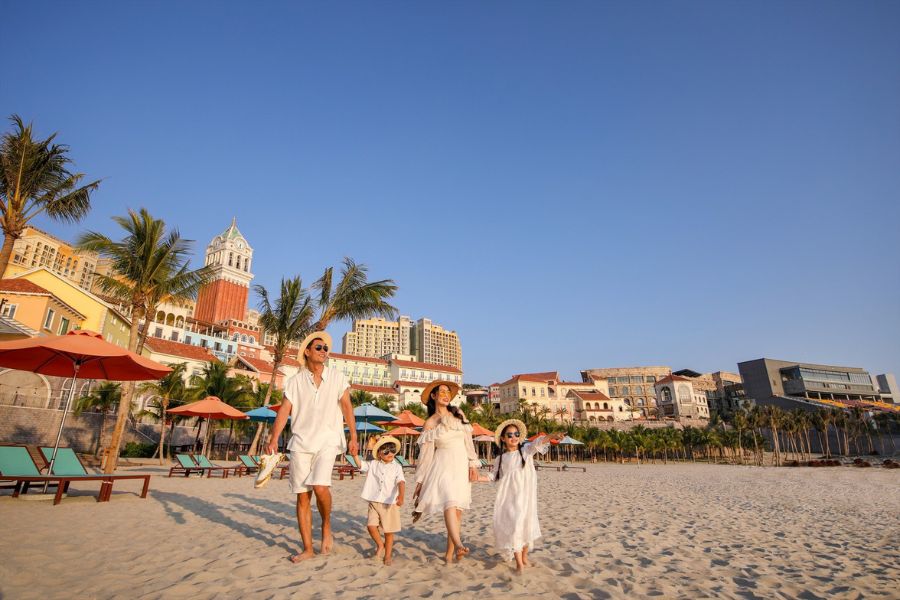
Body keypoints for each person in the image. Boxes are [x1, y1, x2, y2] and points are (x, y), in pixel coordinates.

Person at [265, 331, 358, 563]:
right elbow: (284, 411)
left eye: (326, 348)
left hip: (329, 440)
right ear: (307, 352)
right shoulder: (295, 382)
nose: (324, 351)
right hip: (300, 443)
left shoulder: (337, 377)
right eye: (319, 348)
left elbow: (347, 408)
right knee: (302, 496)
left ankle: (326, 524)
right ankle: (308, 548)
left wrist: (354, 437)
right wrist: (273, 438)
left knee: (320, 486)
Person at [412, 380, 480, 564]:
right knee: (449, 504)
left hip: (460, 465)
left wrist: (473, 464)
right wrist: (420, 481)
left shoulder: (458, 414)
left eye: (447, 392)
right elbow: (425, 455)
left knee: (457, 511)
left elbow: (468, 442)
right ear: (433, 396)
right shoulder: (430, 423)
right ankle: (459, 544)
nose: (445, 394)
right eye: (441, 391)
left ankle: (450, 554)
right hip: (442, 465)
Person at [487, 419, 564, 573]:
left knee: (526, 525)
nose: (513, 437)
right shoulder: (500, 458)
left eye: (516, 434)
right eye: (509, 435)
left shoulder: (526, 451)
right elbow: (492, 476)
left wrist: (552, 436)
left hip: (526, 497)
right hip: (509, 498)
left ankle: (524, 557)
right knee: (515, 526)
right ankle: (518, 564)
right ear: (503, 439)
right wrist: (475, 478)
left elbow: (539, 442)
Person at [356, 435, 405, 566]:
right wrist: (355, 455)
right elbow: (360, 465)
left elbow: (401, 482)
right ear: (379, 453)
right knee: (371, 526)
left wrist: (401, 496)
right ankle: (380, 545)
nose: (390, 453)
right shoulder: (373, 464)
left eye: (392, 449)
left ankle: (388, 555)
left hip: (389, 503)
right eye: (386, 450)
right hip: (374, 500)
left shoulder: (397, 467)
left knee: (388, 532)